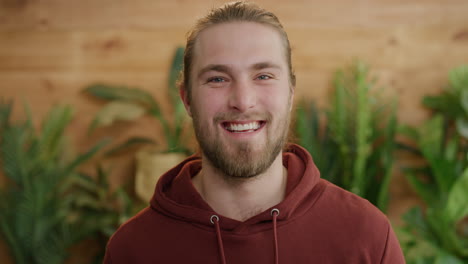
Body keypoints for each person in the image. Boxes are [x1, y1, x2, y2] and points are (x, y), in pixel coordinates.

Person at [104, 1, 405, 263]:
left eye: (263, 75)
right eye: (218, 79)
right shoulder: (133, 249)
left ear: (290, 93)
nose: (243, 101)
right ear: (187, 100)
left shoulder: (365, 234)